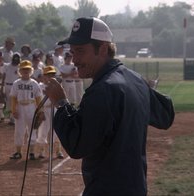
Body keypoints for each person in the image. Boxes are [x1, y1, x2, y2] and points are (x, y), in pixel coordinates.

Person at [44, 17, 175, 195]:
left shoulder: (103, 90)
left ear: (103, 49)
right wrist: (143, 91)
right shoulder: (133, 78)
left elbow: (77, 145)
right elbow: (166, 114)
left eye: (80, 51)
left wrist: (61, 103)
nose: (75, 60)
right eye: (73, 52)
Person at [9, 60, 43, 160]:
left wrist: (40, 111)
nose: (25, 71)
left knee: (32, 129)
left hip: (31, 107)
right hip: (20, 107)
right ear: (20, 70)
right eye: (23, 69)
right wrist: (13, 110)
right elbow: (13, 98)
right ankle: (18, 151)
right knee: (19, 130)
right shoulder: (16, 83)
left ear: (31, 70)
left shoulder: (34, 83)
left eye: (27, 69)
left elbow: (38, 98)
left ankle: (31, 152)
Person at [37, 65, 64, 159]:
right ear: (43, 75)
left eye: (52, 74)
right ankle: (42, 151)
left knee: (56, 130)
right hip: (45, 109)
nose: (50, 76)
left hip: (55, 109)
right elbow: (37, 100)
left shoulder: (56, 85)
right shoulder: (39, 86)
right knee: (43, 130)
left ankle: (58, 150)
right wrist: (40, 112)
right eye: (48, 75)